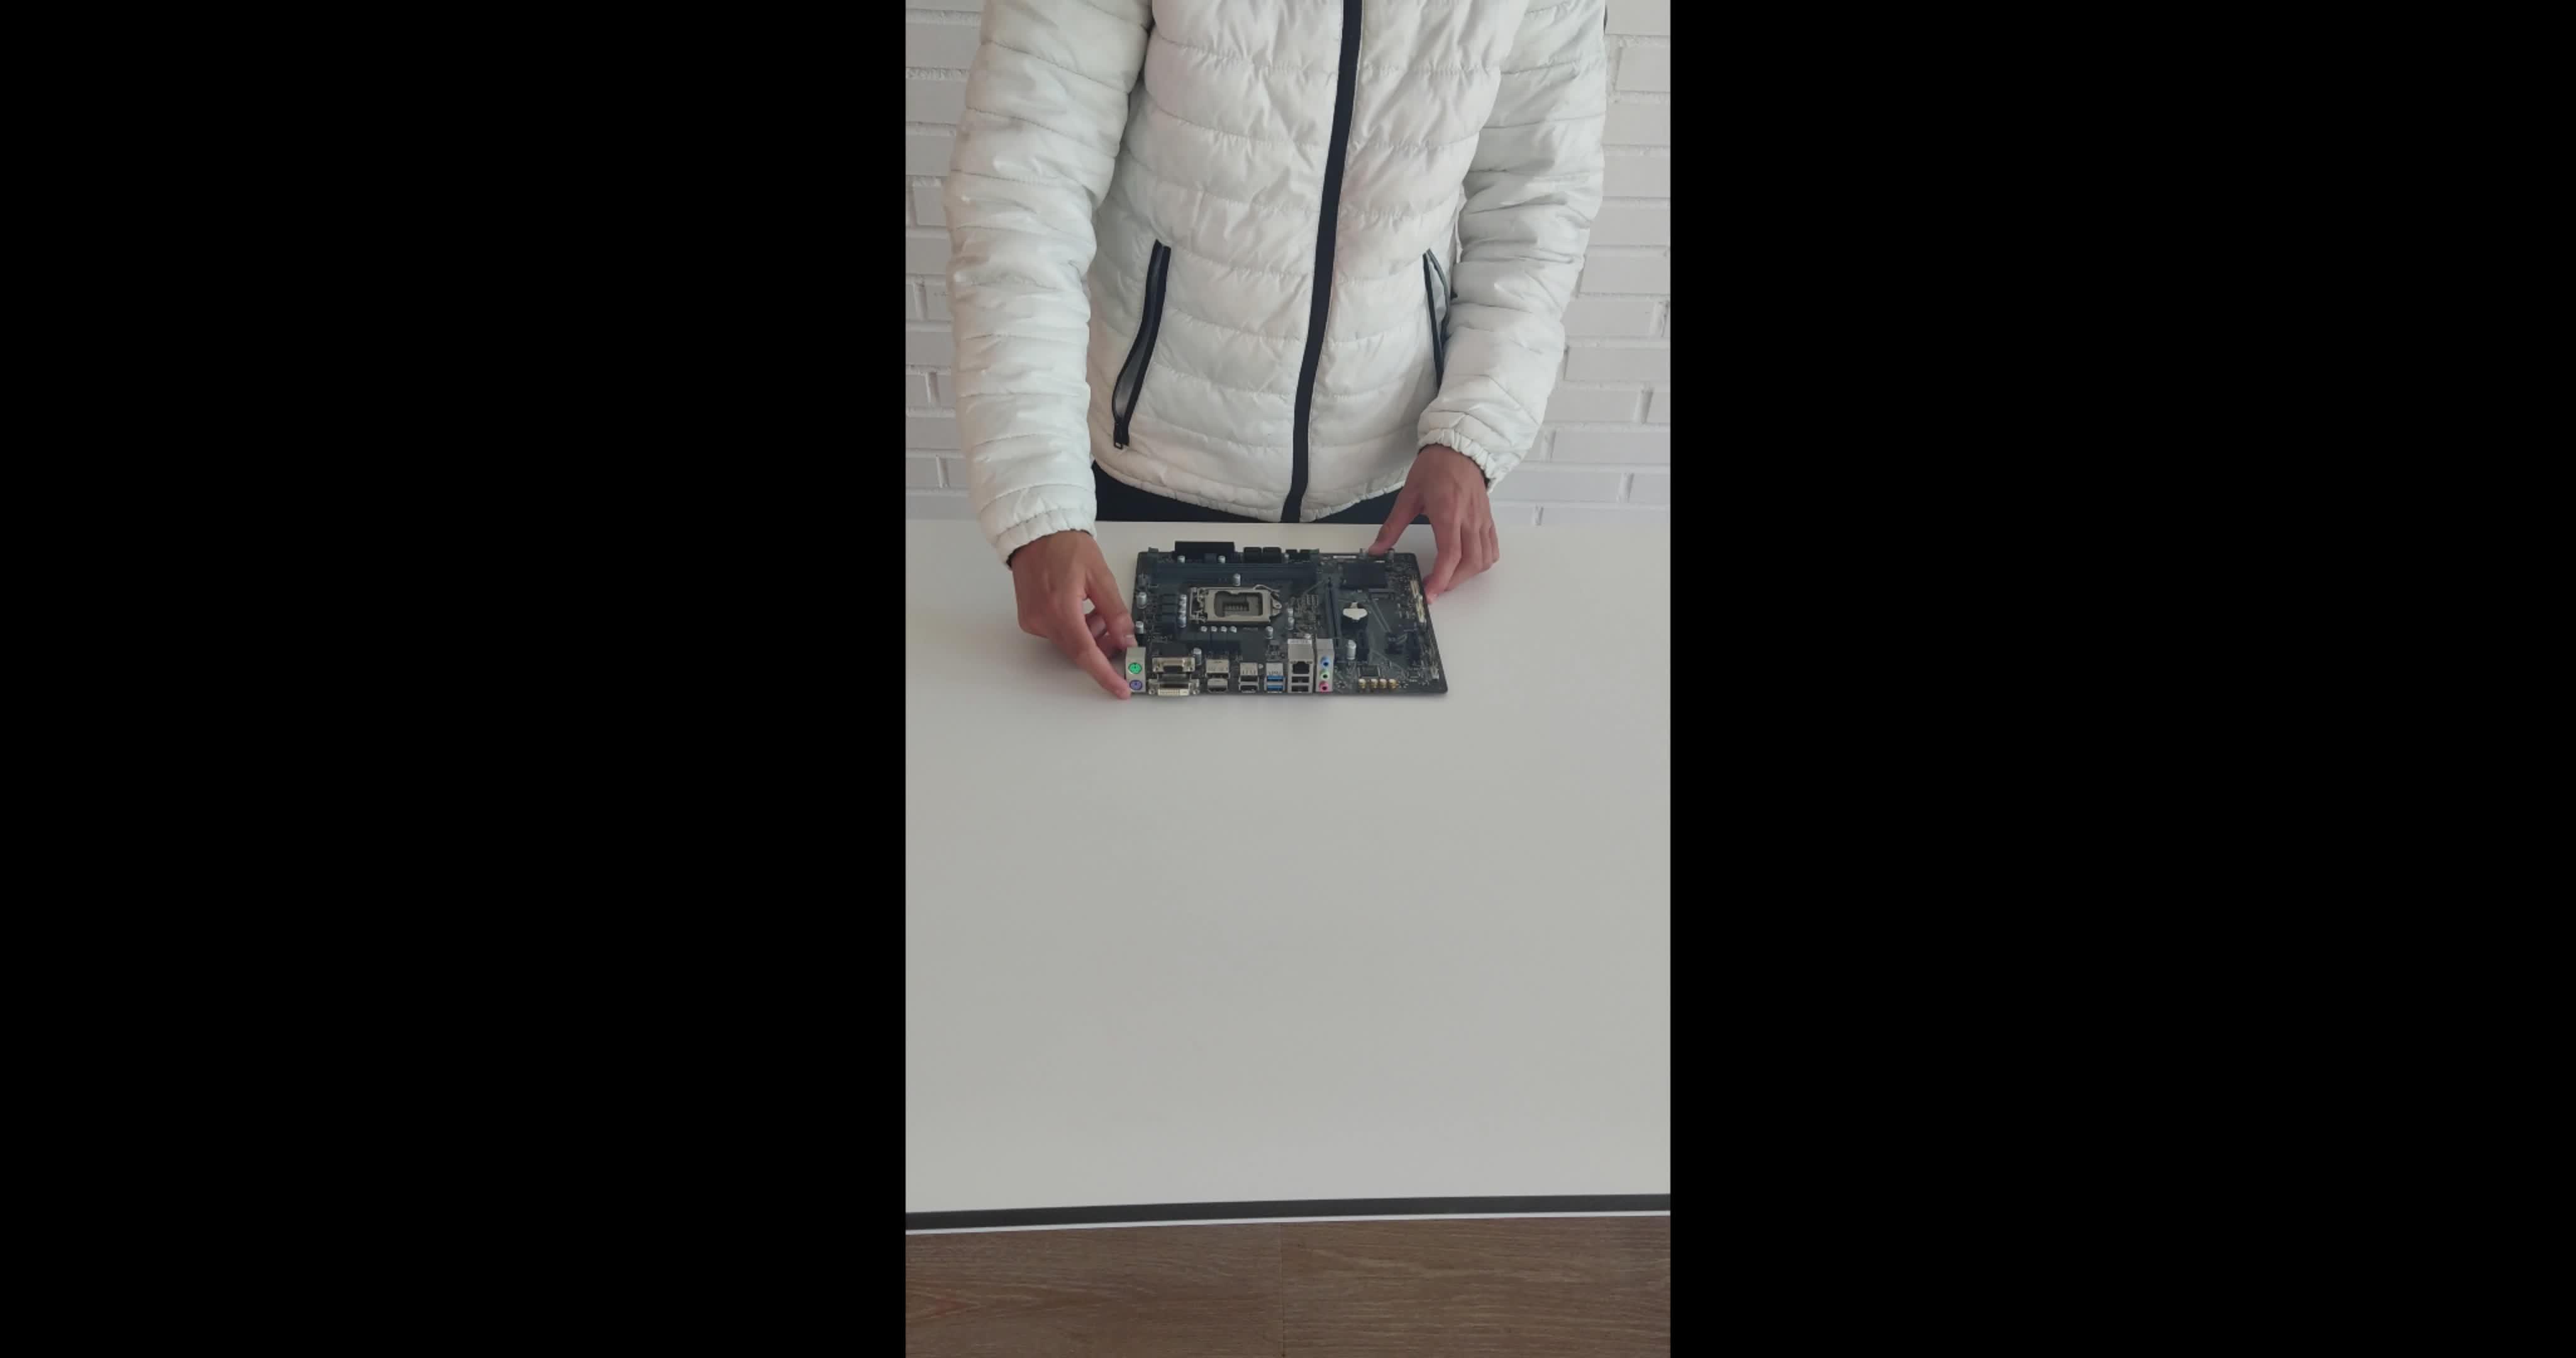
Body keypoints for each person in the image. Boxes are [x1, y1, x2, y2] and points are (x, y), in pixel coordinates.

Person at [942, 1, 1606, 697]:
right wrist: (1039, 505)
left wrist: (1474, 430)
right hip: (1158, 461)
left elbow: (1538, 206)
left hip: (1395, 480)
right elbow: (1022, 195)